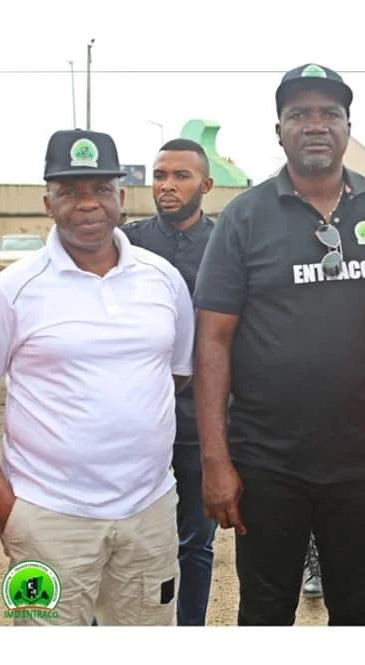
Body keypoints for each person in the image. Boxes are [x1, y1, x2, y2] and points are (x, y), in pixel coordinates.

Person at [192, 63, 365, 626]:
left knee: (357, 610)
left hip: (361, 459)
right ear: (279, 130)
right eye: (299, 114)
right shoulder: (245, 217)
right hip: (266, 460)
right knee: (265, 611)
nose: (316, 124)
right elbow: (212, 341)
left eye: (330, 113)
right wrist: (215, 460)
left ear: (349, 127)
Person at [0, 129, 194, 626]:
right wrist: (6, 507)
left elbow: (176, 376)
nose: (88, 204)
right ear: (47, 203)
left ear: (122, 198)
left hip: (149, 514)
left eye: (101, 189)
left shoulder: (163, 279)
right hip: (48, 518)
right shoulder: (9, 291)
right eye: (70, 191)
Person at [121, 138, 217, 626]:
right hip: (136, 423)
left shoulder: (227, 244)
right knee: (123, 536)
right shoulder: (126, 243)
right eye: (160, 175)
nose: (167, 185)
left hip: (201, 423)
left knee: (195, 542)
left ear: (206, 184)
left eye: (181, 176)